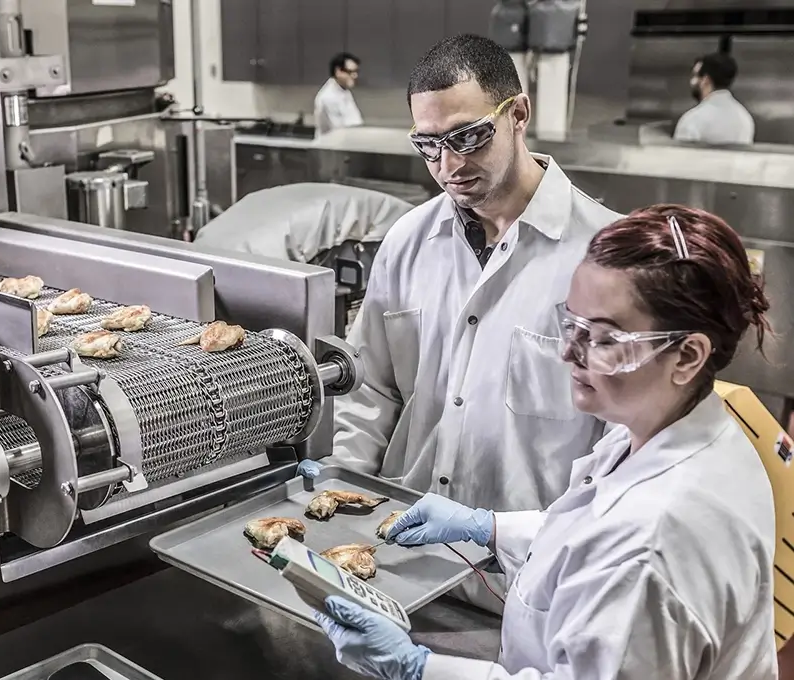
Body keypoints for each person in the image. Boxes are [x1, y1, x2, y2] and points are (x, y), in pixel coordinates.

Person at [313, 204, 777, 680]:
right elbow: (589, 534)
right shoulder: (675, 433)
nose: (567, 352)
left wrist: (416, 668)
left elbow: (618, 556)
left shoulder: (651, 545)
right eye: (571, 324)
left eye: (604, 338)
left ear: (687, 355)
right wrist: (488, 527)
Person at [302, 35, 619, 523]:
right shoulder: (408, 242)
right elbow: (373, 393)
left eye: (467, 137)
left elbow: (618, 440)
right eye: (428, 145)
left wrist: (513, 537)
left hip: (526, 571)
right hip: (399, 537)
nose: (448, 166)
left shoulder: (605, 254)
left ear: (518, 114)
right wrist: (342, 495)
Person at [673, 52, 755, 145]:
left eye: (695, 76)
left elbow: (681, 157)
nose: (692, 82)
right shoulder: (744, 117)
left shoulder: (693, 119)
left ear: (706, 81)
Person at [313, 52, 363, 138]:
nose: (355, 75)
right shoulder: (328, 97)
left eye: (356, 71)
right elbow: (340, 132)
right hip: (332, 147)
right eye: (350, 72)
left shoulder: (344, 90)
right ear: (338, 71)